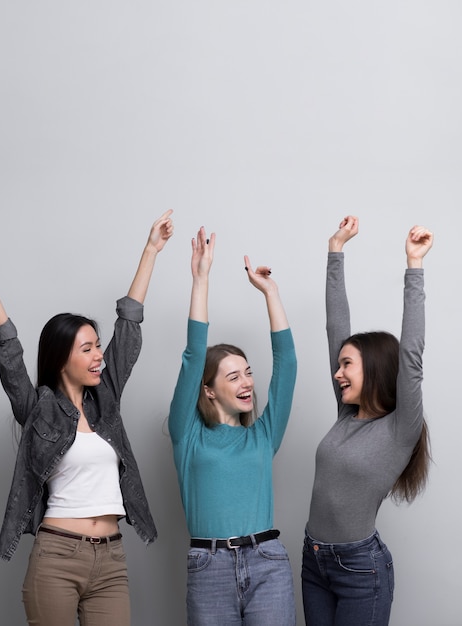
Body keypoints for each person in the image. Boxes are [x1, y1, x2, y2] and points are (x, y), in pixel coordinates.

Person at [0, 210, 174, 626]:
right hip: (56, 557)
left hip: (112, 558)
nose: (98, 355)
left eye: (98, 346)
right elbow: (8, 349)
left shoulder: (107, 400)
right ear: (61, 356)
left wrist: (151, 250)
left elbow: (129, 324)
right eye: (86, 348)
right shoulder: (37, 409)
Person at [301, 216, 433, 626]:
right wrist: (335, 250)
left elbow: (411, 354)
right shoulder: (346, 414)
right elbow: (334, 326)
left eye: (347, 365)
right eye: (338, 364)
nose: (338, 373)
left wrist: (415, 266)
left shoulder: (401, 428)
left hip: (360, 569)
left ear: (374, 369)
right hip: (314, 561)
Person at [168, 226, 298, 626]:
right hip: (209, 567)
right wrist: (201, 278)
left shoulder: (262, 434)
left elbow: (287, 365)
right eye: (233, 377)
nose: (246, 383)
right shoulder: (186, 435)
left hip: (267, 563)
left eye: (248, 373)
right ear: (208, 391)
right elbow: (194, 355)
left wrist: (271, 294)